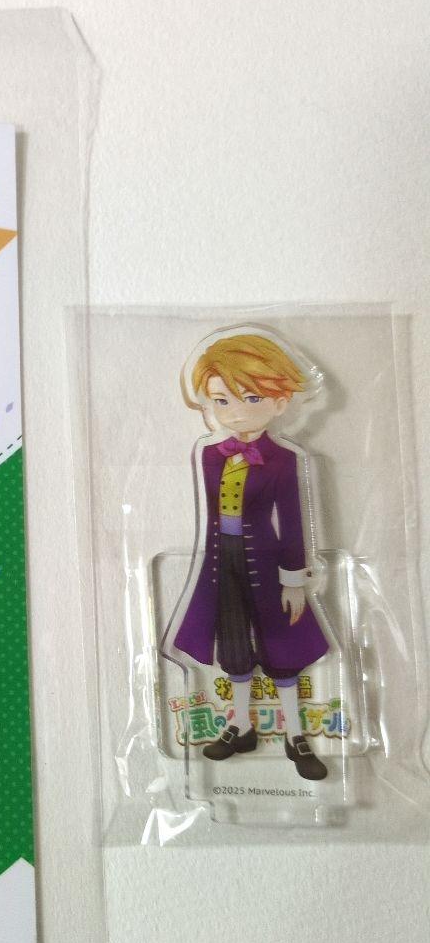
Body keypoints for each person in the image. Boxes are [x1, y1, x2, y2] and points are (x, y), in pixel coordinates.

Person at [164, 331, 329, 781]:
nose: (236, 411)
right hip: (221, 563)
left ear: (281, 401)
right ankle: (240, 725)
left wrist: (294, 578)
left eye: (252, 397)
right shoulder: (209, 455)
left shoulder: (282, 459)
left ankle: (296, 735)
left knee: (283, 649)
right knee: (233, 647)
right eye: (222, 400)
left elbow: (292, 520)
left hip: (268, 563)